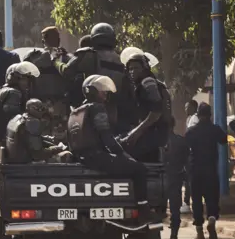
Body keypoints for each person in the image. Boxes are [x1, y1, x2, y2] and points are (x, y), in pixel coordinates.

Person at [67, 75, 150, 218]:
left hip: (83, 157)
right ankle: (143, 209)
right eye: (102, 90)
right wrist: (124, 155)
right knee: (139, 169)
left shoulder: (76, 111)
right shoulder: (97, 108)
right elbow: (107, 140)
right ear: (92, 91)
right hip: (96, 157)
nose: (106, 93)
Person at [55, 23, 127, 130]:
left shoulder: (88, 54)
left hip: (91, 107)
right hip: (115, 109)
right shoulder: (121, 58)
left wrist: (55, 61)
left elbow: (67, 72)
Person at [185, 103, 227, 239]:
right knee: (212, 200)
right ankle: (211, 220)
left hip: (195, 171)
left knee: (196, 201)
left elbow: (185, 148)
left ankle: (199, 234)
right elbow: (224, 140)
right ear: (210, 115)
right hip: (211, 171)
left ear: (197, 115)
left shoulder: (191, 131)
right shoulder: (215, 130)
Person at [118, 52, 171, 161]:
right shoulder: (145, 84)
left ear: (145, 68)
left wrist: (136, 133)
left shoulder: (148, 82)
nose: (132, 72)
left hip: (154, 135)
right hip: (153, 134)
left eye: (136, 68)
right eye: (130, 69)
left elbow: (156, 112)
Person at [0, 61, 40, 160]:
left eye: (27, 79)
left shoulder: (1, 91)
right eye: (23, 79)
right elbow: (14, 121)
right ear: (14, 79)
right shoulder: (13, 93)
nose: (26, 83)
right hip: (4, 141)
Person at [23, 26, 71, 142]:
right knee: (61, 137)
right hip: (60, 106)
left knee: (42, 137)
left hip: (40, 106)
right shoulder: (66, 58)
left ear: (43, 40)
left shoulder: (33, 57)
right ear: (59, 39)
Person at [6, 99, 65, 164]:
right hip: (25, 163)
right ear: (34, 109)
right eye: (40, 109)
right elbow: (38, 154)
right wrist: (56, 149)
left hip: (14, 159)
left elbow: (26, 137)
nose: (42, 112)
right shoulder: (33, 123)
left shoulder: (19, 118)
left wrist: (46, 138)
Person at [165, 117, 189, 239]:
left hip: (160, 179)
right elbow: (186, 160)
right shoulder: (181, 141)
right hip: (176, 178)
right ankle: (174, 236)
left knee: (156, 209)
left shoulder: (156, 142)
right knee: (175, 210)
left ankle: (156, 236)